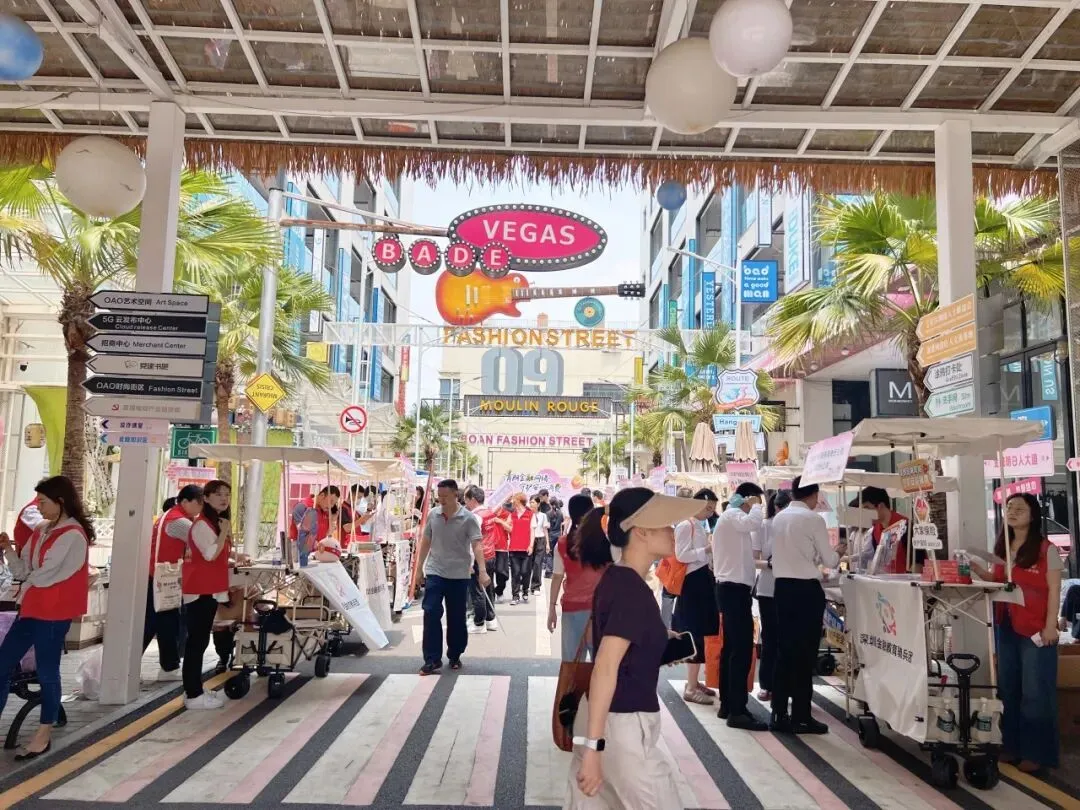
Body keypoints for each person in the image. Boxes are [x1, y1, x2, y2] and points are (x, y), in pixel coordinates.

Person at [566, 487, 702, 809]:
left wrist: (657, 641)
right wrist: (594, 748)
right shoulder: (630, 588)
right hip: (622, 725)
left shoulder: (619, 579)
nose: (671, 531)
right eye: (664, 524)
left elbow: (615, 644)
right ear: (640, 531)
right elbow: (605, 666)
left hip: (609, 720)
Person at [0, 476, 93, 759]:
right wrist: (8, 550)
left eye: (42, 501)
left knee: (47, 671)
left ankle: (44, 732)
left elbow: (44, 576)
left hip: (53, 612)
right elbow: (24, 570)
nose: (37, 507)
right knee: (4, 663)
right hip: (32, 608)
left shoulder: (74, 535)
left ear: (60, 501)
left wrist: (25, 579)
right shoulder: (42, 529)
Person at [970, 492, 1060, 772]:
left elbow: (1055, 589)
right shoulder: (1003, 548)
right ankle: (1011, 745)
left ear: (1033, 516)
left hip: (1036, 629)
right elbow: (998, 581)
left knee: (1035, 691)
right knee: (1008, 687)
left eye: (1020, 508)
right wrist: (977, 570)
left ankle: (1037, 753)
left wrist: (1050, 625)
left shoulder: (1046, 549)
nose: (1012, 512)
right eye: (1009, 507)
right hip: (1006, 624)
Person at [769, 476, 845, 734]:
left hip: (782, 589)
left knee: (784, 651)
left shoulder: (779, 518)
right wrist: (840, 550)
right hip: (806, 591)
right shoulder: (813, 519)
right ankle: (801, 715)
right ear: (814, 495)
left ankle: (778, 713)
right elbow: (830, 560)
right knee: (805, 653)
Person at [415, 480, 488, 675]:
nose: (442, 500)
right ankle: (432, 659)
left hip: (458, 574)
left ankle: (455, 654)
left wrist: (482, 570)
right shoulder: (433, 514)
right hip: (435, 571)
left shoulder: (468, 518)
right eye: (439, 497)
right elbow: (426, 541)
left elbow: (477, 544)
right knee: (430, 611)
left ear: (456, 495)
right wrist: (419, 568)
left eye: (445, 496)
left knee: (456, 617)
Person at [712, 482, 766, 729]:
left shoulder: (731, 518)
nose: (758, 507)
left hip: (732, 588)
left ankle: (728, 705)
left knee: (732, 648)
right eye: (756, 501)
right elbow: (754, 523)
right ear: (748, 499)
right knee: (741, 649)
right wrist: (756, 505)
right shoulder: (734, 515)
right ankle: (737, 710)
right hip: (733, 589)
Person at [182, 479, 232, 710]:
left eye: (227, 494)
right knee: (197, 642)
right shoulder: (202, 525)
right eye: (218, 494)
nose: (224, 498)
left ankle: (195, 690)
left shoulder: (213, 523)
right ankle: (193, 694)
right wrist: (224, 533)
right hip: (199, 590)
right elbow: (210, 554)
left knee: (200, 641)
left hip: (208, 589)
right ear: (207, 497)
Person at [144, 486, 203, 681]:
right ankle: (128, 669)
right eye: (199, 503)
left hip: (158, 577)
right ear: (185, 501)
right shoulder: (178, 521)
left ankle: (168, 667)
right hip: (162, 579)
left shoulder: (169, 516)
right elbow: (203, 543)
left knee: (163, 623)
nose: (200, 508)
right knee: (158, 623)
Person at [672, 488, 719, 705]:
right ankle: (691, 687)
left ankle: (694, 682)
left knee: (700, 632)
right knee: (694, 633)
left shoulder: (698, 524)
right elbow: (681, 555)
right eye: (707, 508)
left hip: (701, 581)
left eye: (712, 508)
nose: (710, 512)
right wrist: (706, 550)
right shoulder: (686, 525)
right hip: (692, 584)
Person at [548, 495, 608, 660]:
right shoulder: (606, 542)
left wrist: (552, 608)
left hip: (572, 608)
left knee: (572, 661)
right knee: (602, 663)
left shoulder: (562, 544)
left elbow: (557, 577)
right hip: (602, 609)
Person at [754, 489, 791, 702]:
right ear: (775, 507)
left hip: (790, 588)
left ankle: (784, 685)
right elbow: (753, 559)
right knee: (769, 638)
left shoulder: (794, 526)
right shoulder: (764, 526)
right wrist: (769, 564)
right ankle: (766, 684)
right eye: (782, 508)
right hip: (767, 588)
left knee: (787, 638)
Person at [464, 485, 499, 635]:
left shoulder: (475, 516)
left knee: (477, 591)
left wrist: (470, 561)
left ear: (472, 499)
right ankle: (491, 620)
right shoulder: (489, 512)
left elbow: (474, 541)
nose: (465, 502)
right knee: (488, 588)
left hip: (480, 558)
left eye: (466, 499)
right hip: (491, 554)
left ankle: (479, 623)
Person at [858, 486, 911, 573]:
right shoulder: (875, 531)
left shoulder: (906, 525)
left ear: (880, 506)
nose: (865, 514)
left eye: (867, 508)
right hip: (885, 578)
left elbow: (918, 563)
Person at [296, 485, 340, 566]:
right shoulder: (303, 507)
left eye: (334, 504)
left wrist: (332, 524)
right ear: (322, 495)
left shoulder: (325, 512)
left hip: (316, 557)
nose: (331, 506)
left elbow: (325, 537)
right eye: (331, 502)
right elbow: (301, 533)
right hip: (299, 557)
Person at [508, 493, 534, 604]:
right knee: (515, 573)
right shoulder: (512, 515)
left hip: (526, 548)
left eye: (514, 500)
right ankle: (515, 596)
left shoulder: (530, 514)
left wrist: (531, 545)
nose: (512, 502)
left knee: (525, 571)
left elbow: (532, 531)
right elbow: (509, 528)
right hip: (513, 548)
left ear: (519, 501)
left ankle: (525, 590)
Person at [492, 499, 513, 601]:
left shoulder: (507, 514)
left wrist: (500, 521)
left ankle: (499, 590)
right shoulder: (489, 513)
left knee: (502, 572)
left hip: (502, 547)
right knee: (489, 572)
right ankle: (491, 594)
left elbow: (510, 529)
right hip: (489, 547)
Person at [529, 495, 549, 594]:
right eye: (530, 502)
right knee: (528, 564)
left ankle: (536, 586)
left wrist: (548, 544)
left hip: (540, 540)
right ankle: (524, 584)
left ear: (538, 504)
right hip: (529, 540)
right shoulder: (527, 515)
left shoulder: (543, 515)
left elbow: (545, 530)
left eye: (533, 502)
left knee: (538, 563)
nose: (531, 504)